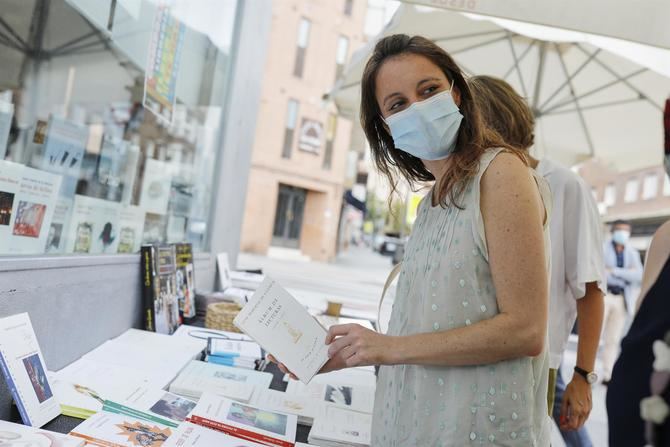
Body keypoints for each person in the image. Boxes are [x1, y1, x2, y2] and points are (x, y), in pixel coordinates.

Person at [271, 34, 553, 445]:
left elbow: (525, 330)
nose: (417, 108)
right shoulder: (433, 202)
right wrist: (344, 353)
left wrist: (387, 347)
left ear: (456, 93)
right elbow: (429, 327)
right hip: (412, 424)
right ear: (385, 126)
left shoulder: (501, 173)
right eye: (398, 104)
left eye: (429, 90)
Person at [469, 75, 605, 446]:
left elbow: (590, 290)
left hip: (534, 363)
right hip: (472, 358)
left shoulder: (564, 185)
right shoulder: (475, 183)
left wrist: (583, 375)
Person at [606, 156, 670, 445]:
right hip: (611, 297)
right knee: (611, 345)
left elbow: (633, 276)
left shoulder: (649, 244)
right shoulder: (664, 237)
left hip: (622, 300)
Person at [601, 219, 643, 385]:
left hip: (621, 300)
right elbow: (601, 272)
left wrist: (615, 271)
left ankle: (607, 375)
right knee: (595, 336)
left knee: (613, 339)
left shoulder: (632, 252)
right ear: (613, 231)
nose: (623, 234)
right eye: (620, 230)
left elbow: (638, 275)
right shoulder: (603, 247)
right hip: (604, 296)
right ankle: (584, 372)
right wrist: (627, 273)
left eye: (626, 230)